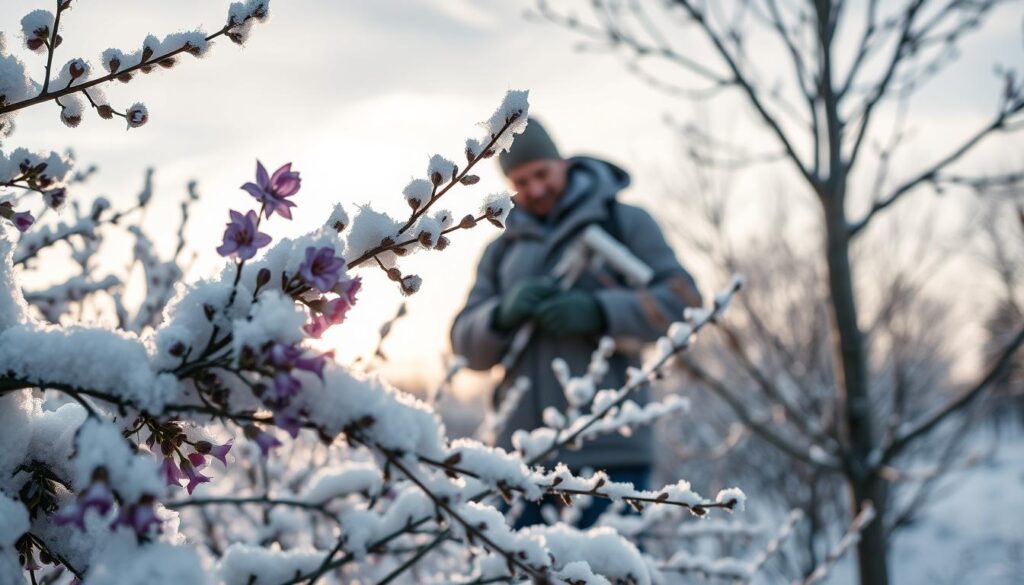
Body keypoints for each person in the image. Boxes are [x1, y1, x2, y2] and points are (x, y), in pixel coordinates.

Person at [450, 119, 701, 527]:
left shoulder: (625, 223)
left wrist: (600, 310)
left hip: (610, 461)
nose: (535, 189)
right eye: (521, 181)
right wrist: (500, 315)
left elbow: (684, 303)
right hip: (521, 464)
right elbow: (464, 346)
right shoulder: (500, 251)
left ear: (562, 162)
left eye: (542, 174)